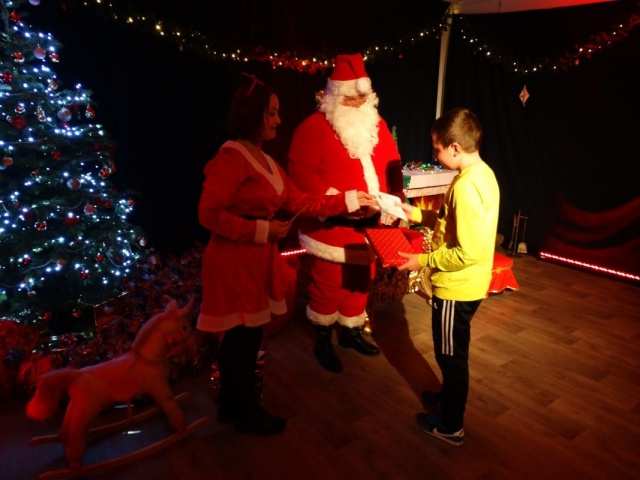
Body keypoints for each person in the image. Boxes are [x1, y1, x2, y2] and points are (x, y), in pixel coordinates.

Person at [196, 74, 376, 435]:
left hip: (254, 260)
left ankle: (235, 406)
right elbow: (208, 214)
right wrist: (263, 230)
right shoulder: (232, 157)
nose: (279, 120)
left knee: (247, 339)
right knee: (242, 340)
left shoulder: (265, 160)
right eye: (272, 113)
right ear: (252, 114)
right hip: (234, 262)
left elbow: (301, 201)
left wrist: (349, 199)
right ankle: (244, 411)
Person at [287, 53, 405, 373]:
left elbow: (393, 168)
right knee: (328, 284)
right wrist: (343, 202)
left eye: (362, 98)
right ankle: (323, 336)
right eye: (351, 99)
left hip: (371, 227)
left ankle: (351, 331)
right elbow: (302, 178)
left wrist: (395, 201)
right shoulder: (312, 129)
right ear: (334, 96)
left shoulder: (378, 125)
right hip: (332, 228)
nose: (358, 104)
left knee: (360, 283)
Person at [397, 107, 500, 446]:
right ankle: (447, 399)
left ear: (455, 147)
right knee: (451, 352)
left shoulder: (466, 187)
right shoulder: (481, 174)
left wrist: (422, 260)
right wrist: (415, 214)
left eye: (437, 149)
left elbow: (466, 252)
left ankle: (451, 425)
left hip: (456, 287)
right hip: (469, 284)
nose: (435, 155)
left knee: (450, 357)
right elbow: (447, 221)